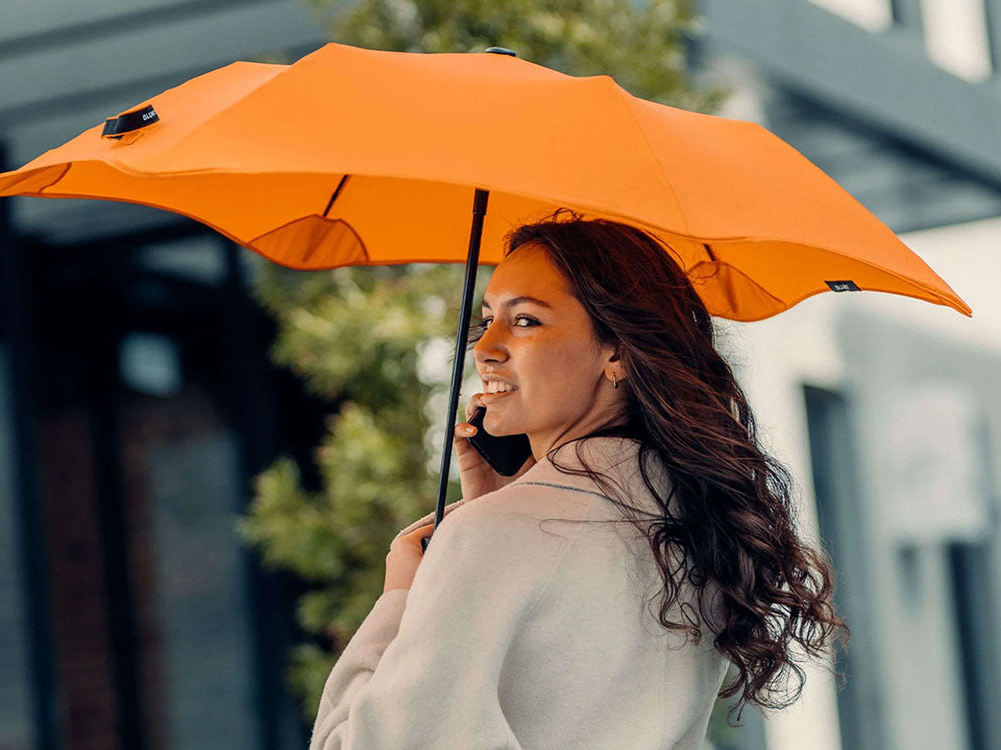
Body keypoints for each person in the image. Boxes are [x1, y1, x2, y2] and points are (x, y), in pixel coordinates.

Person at [309, 208, 849, 749]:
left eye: (525, 321)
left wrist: (404, 595)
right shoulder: (691, 520)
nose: (485, 347)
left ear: (616, 352)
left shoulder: (492, 536)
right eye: (488, 317)